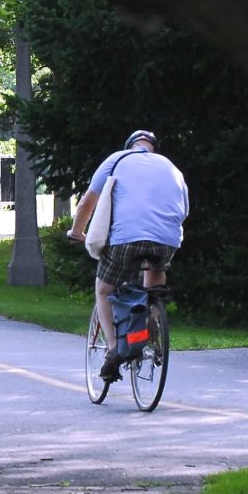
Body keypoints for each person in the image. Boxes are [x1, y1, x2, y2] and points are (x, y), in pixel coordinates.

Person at [66, 129, 189, 382]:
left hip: (126, 240)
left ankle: (113, 350)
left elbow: (88, 202)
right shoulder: (171, 167)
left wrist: (77, 232)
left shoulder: (117, 159)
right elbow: (184, 209)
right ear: (152, 148)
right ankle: (154, 333)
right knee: (155, 281)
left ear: (130, 145)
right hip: (166, 239)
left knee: (103, 290)